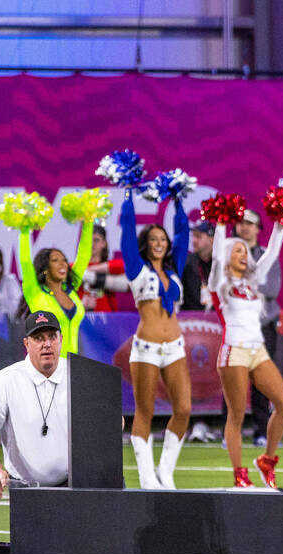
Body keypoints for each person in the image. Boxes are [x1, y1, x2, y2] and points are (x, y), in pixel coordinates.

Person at [209, 211, 283, 488]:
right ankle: (239, 474)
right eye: (238, 250)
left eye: (245, 251)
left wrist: (281, 224)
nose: (244, 255)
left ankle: (267, 460)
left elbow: (270, 253)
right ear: (227, 253)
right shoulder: (220, 282)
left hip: (258, 350)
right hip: (234, 350)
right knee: (236, 414)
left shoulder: (252, 281)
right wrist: (221, 225)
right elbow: (219, 259)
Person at [119, 189, 192, 489]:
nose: (160, 244)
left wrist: (177, 202)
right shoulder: (137, 270)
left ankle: (165, 471)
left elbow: (184, 235)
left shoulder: (174, 271)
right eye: (154, 240)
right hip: (146, 349)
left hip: (175, 347)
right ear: (145, 245)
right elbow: (126, 230)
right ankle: (147, 476)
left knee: (184, 409)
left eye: (163, 240)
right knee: (145, 412)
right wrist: (128, 196)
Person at [0, 311, 70, 497]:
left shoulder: (80, 374)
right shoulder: (5, 380)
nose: (47, 344)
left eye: (52, 337)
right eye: (39, 338)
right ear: (27, 344)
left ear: (61, 339)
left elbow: (111, 420)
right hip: (25, 488)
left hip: (75, 484)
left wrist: (112, 422)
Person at [17, 212, 92, 356]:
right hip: (45, 364)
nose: (62, 264)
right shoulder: (35, 292)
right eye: (55, 260)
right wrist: (25, 228)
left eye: (64, 260)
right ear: (45, 268)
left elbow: (83, 256)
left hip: (72, 364)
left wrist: (88, 220)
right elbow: (25, 260)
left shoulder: (71, 290)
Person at [235, 210, 279, 448]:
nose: (245, 228)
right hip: (237, 328)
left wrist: (242, 288)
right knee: (234, 382)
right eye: (241, 223)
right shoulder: (228, 256)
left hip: (263, 328)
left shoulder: (265, 256)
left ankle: (261, 431)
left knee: (263, 384)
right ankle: (230, 431)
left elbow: (271, 289)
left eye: (250, 224)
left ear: (259, 229)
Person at [79, 225, 128, 312]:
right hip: (82, 319)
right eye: (88, 240)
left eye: (96, 240)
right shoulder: (74, 267)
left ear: (104, 243)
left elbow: (126, 267)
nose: (92, 244)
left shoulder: (112, 267)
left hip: (108, 319)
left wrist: (92, 270)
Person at [181, 220, 215, 311]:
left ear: (212, 239)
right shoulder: (186, 263)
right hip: (192, 320)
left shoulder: (221, 264)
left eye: (198, 236)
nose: (194, 241)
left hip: (217, 319)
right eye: (193, 236)